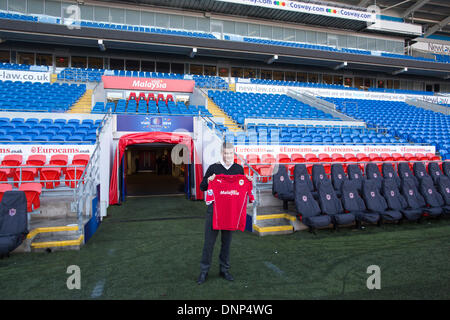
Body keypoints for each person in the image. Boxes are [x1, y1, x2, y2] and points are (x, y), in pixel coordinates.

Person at [197, 142, 252, 285]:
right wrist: (208, 180)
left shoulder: (238, 169)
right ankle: (204, 271)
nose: (228, 156)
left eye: (230, 153)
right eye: (225, 153)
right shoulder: (213, 168)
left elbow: (243, 186)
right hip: (214, 211)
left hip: (230, 212)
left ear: (233, 153)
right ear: (222, 153)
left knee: (226, 243)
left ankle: (224, 269)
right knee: (209, 242)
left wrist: (248, 181)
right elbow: (202, 186)